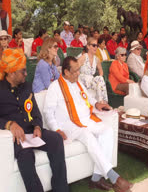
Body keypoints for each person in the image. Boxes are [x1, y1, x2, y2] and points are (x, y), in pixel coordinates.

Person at [43, 56, 133, 192]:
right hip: (68, 125)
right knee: (88, 135)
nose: (78, 73)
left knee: (108, 131)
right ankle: (114, 178)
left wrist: (96, 103)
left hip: (86, 119)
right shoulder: (55, 87)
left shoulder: (78, 83)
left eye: (78, 70)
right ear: (66, 72)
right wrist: (56, 130)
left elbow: (88, 98)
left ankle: (96, 178)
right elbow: (48, 112)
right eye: (75, 71)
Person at [0, 48, 68, 192]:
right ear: (11, 73)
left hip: (33, 131)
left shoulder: (26, 86)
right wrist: (9, 124)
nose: (26, 73)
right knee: (26, 155)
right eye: (23, 71)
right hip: (16, 138)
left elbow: (35, 111)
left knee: (56, 139)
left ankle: (61, 188)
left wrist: (37, 126)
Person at [78, 38, 109, 103]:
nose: (96, 47)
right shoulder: (83, 57)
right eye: (93, 45)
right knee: (99, 80)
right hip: (82, 80)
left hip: (91, 81)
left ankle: (102, 101)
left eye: (97, 46)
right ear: (88, 46)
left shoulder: (96, 59)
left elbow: (101, 71)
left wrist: (100, 76)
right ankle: (102, 101)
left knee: (100, 78)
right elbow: (74, 69)